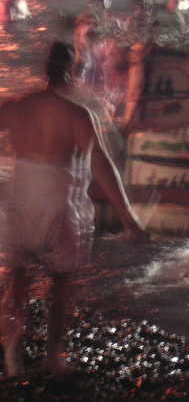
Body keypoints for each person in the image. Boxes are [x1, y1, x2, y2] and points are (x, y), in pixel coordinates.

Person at [0, 41, 144, 378]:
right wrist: (127, 214)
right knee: (61, 286)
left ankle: (13, 354)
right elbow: (102, 165)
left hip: (19, 204)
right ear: (73, 71)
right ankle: (53, 357)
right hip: (59, 207)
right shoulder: (78, 115)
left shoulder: (16, 107)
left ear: (45, 69)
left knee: (17, 281)